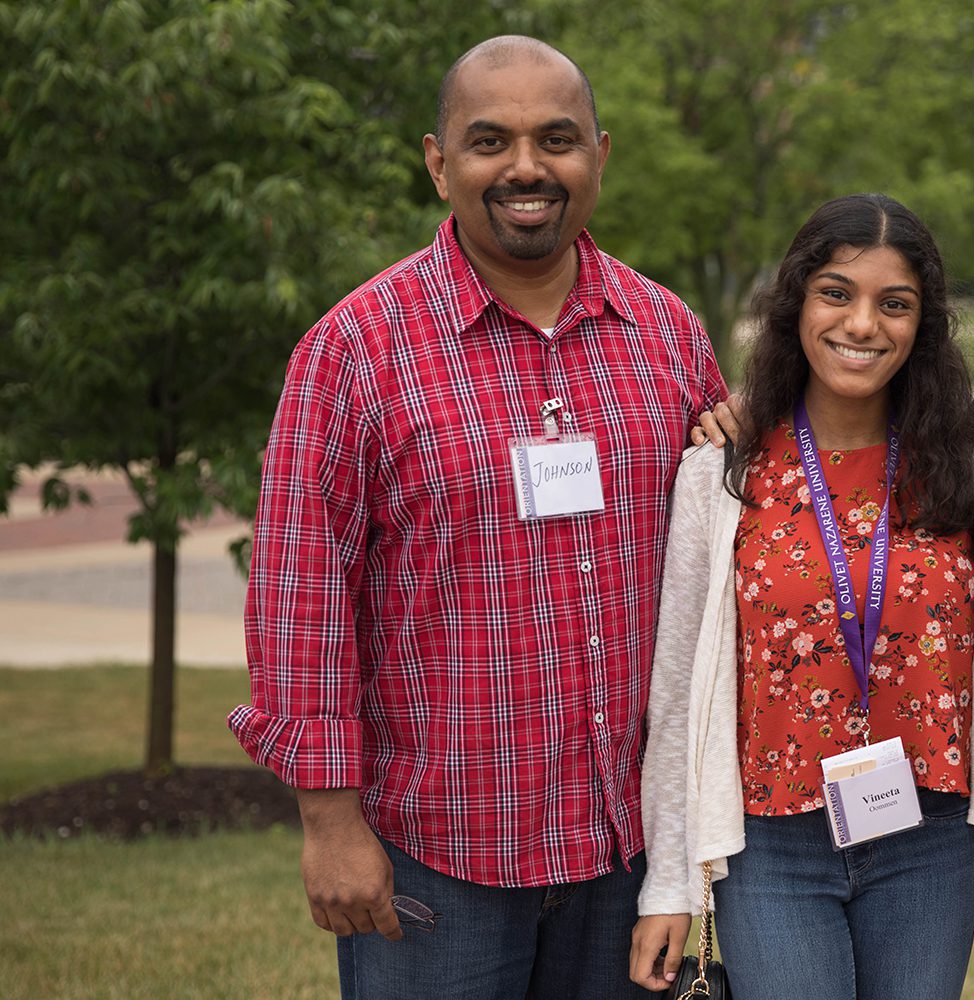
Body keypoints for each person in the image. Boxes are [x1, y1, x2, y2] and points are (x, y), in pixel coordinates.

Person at [228, 36, 726, 999]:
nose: (527, 168)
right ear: (438, 160)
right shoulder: (356, 350)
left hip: (626, 856)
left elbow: (714, 553)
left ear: (601, 155)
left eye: (558, 139)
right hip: (434, 859)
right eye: (490, 140)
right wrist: (329, 824)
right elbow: (301, 593)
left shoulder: (668, 336)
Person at [628, 194, 974, 1000]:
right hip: (771, 847)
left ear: (924, 325)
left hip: (926, 837)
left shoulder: (965, 470)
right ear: (796, 303)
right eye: (837, 292)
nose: (863, 324)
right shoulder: (721, 474)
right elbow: (676, 690)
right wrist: (668, 881)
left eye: (895, 303)